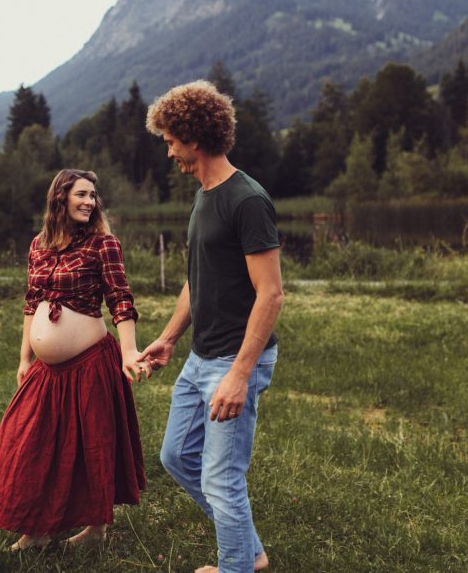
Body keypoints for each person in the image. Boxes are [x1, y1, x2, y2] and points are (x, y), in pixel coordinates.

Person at [138, 81, 284, 573]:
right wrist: (168, 338)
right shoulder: (204, 198)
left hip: (233, 360)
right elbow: (197, 279)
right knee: (177, 456)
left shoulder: (247, 200)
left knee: (222, 478)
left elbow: (271, 293)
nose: (169, 150)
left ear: (193, 138)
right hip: (201, 357)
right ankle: (251, 552)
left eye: (170, 139)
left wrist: (240, 374)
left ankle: (237, 565)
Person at [0, 168, 150, 551]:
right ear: (61, 197)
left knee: (92, 446)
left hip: (90, 361)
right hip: (47, 369)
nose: (90, 201)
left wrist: (128, 351)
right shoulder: (39, 244)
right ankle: (36, 530)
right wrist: (24, 358)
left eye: (93, 195)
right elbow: (31, 302)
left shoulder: (103, 244)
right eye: (82, 194)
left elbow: (120, 299)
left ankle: (96, 529)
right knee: (28, 442)